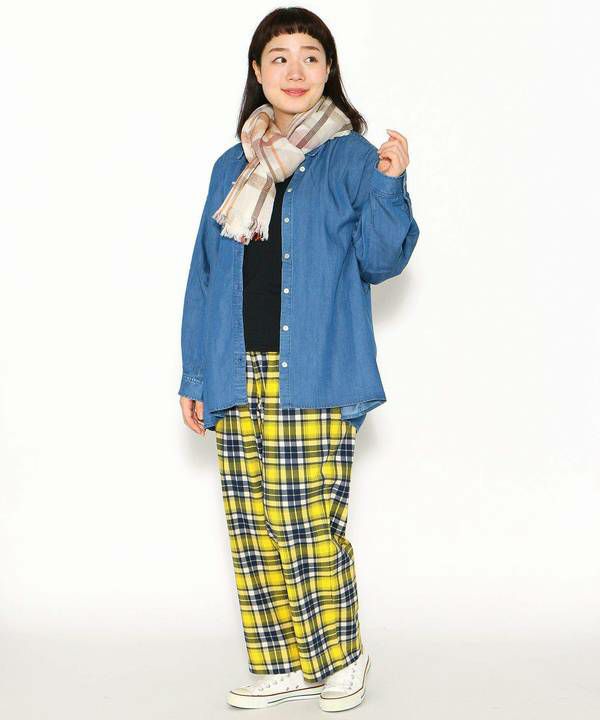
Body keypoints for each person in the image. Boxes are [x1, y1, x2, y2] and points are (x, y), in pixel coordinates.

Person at [178, 7, 420, 712]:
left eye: (309, 56)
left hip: (314, 366)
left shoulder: (353, 157)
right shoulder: (232, 166)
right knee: (253, 525)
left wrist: (390, 185)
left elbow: (382, 261)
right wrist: (196, 373)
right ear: (257, 72)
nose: (294, 70)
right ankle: (279, 663)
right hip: (234, 367)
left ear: (328, 70)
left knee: (308, 523)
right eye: (278, 57)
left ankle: (340, 659)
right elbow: (205, 276)